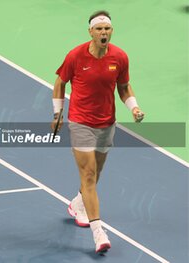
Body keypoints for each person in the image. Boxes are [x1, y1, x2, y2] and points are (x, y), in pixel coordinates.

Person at [51, 10, 144, 254]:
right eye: (99, 29)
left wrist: (134, 108)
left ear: (111, 31)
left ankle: (77, 204)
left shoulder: (120, 57)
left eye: (107, 29)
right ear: (90, 32)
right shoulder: (75, 56)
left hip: (106, 122)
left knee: (96, 172)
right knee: (89, 175)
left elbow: (123, 87)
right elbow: (60, 82)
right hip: (81, 122)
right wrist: (57, 113)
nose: (104, 33)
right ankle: (98, 232)